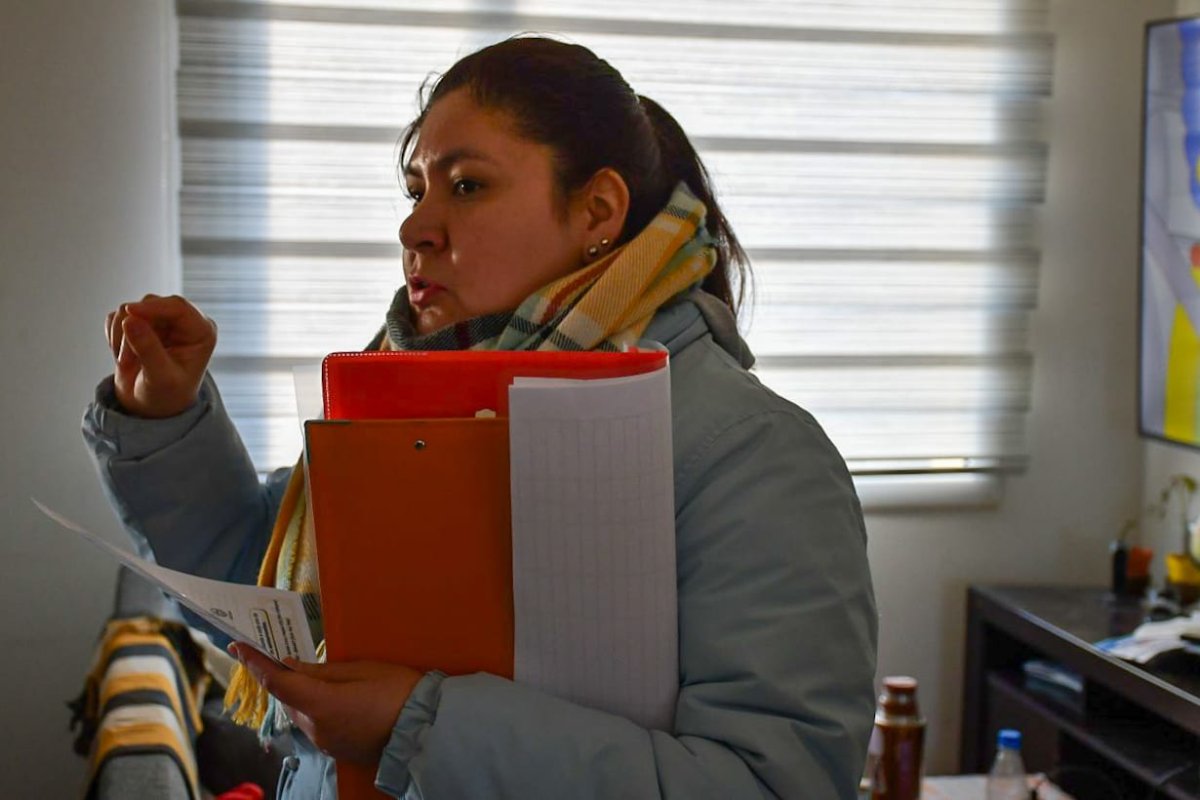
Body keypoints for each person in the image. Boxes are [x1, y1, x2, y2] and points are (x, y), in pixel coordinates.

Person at [84, 35, 877, 799]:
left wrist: (416, 729)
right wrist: (165, 416)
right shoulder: (409, 399)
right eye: (416, 192)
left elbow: (773, 783)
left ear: (597, 209)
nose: (413, 229)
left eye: (466, 186)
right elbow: (266, 600)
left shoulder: (756, 456)